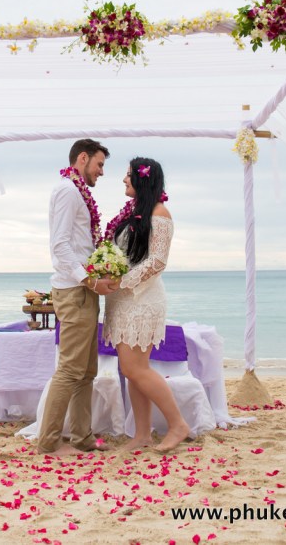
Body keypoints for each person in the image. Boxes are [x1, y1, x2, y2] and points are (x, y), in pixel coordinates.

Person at [37, 138, 117, 457]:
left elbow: (80, 244)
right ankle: (48, 443)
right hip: (75, 290)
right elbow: (60, 246)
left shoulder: (76, 192)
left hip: (84, 290)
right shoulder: (68, 191)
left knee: (86, 371)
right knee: (71, 370)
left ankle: (82, 436)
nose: (101, 172)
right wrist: (89, 280)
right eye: (99, 164)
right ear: (82, 159)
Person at [103, 157, 189, 453]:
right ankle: (141, 435)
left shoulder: (160, 213)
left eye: (128, 175)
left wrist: (122, 282)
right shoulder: (131, 213)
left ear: (143, 179)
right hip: (121, 301)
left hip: (142, 300)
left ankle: (177, 424)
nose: (124, 180)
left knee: (135, 367)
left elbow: (157, 261)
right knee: (131, 369)